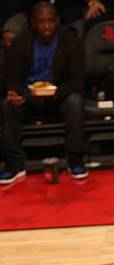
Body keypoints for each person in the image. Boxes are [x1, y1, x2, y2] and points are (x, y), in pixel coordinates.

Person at [0, 1, 88, 184]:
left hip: (59, 96)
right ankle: (15, 165)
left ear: (57, 21)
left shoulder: (70, 41)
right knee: (7, 105)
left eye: (50, 20)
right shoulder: (20, 42)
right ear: (33, 23)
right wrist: (14, 92)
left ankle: (76, 161)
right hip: (29, 96)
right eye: (41, 21)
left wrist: (56, 92)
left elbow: (78, 80)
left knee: (76, 102)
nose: (46, 25)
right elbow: (12, 76)